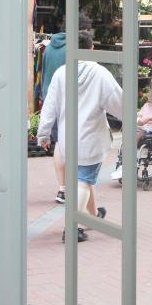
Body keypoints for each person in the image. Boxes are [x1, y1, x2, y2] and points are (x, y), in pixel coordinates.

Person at [38, 31, 121, 242]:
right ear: (91, 48)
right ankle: (72, 226)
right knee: (84, 180)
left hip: (68, 138)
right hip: (91, 138)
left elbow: (49, 106)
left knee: (83, 177)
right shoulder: (100, 73)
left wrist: (43, 134)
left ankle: (92, 216)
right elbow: (117, 102)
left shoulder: (61, 73)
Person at [40, 11, 93, 205]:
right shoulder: (73, 48)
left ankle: (62, 188)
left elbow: (44, 73)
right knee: (74, 144)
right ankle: (76, 186)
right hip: (69, 100)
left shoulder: (49, 47)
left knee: (59, 144)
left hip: (50, 97)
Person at [110, 79, 152, 182]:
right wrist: (137, 117)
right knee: (128, 135)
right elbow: (140, 116)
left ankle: (128, 165)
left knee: (136, 134)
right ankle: (124, 164)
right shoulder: (147, 106)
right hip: (146, 129)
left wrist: (149, 118)